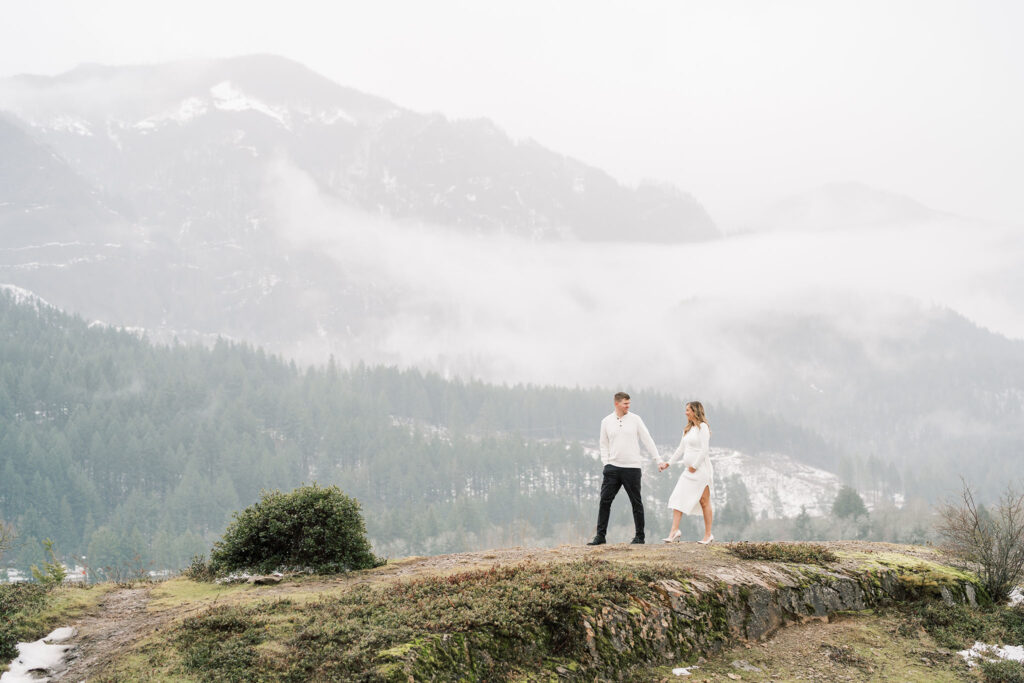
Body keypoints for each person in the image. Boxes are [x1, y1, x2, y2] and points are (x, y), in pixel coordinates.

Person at [587, 392, 662, 545]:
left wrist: (658, 459)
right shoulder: (606, 421)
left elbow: (647, 439)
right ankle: (600, 536)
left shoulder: (635, 420)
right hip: (612, 468)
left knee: (636, 502)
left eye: (629, 403)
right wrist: (606, 463)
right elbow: (603, 444)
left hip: (632, 467)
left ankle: (639, 537)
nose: (628, 406)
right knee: (604, 501)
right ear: (616, 403)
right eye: (625, 404)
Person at [659, 401, 714, 544]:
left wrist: (695, 465)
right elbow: (680, 449)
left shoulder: (703, 427)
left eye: (688, 410)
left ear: (695, 411)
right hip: (688, 471)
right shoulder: (687, 430)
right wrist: (668, 463)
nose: (686, 413)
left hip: (701, 470)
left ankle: (708, 535)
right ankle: (674, 531)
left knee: (704, 501)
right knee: (678, 497)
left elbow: (704, 450)